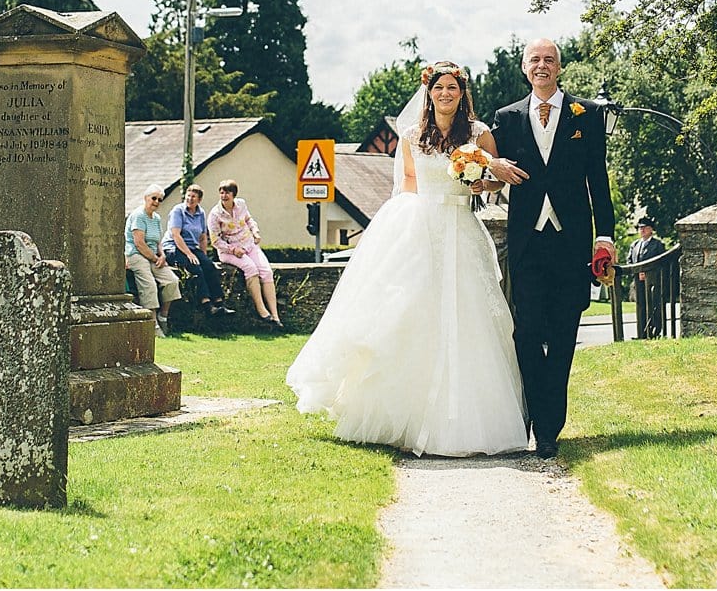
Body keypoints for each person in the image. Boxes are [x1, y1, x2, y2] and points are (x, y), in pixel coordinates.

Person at [287, 60, 528, 457]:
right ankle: (405, 417)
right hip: (422, 228)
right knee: (412, 315)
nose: (445, 94)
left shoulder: (480, 134)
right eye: (439, 88)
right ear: (428, 92)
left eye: (453, 87)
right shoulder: (412, 135)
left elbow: (495, 181)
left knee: (469, 319)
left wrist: (479, 178)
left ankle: (463, 422)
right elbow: (408, 184)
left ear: (462, 93)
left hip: (461, 229)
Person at [485, 37, 615, 459]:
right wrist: (491, 167)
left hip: (571, 243)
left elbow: (599, 181)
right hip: (526, 244)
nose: (542, 66)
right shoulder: (506, 119)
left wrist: (605, 238)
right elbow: (486, 177)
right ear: (524, 68)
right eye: (535, 60)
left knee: (562, 337)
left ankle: (549, 429)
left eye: (549, 60)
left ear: (559, 68)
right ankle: (534, 413)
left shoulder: (588, 115)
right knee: (526, 334)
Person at [209, 179, 282, 327]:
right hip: (228, 250)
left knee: (266, 271)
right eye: (221, 192)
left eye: (227, 192)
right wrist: (233, 250)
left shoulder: (241, 204)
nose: (224, 195)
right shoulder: (215, 214)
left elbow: (249, 220)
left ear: (234, 194)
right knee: (251, 269)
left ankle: (275, 315)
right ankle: (262, 311)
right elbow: (215, 241)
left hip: (248, 244)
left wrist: (255, 232)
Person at [163, 185, 233, 319]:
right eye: (188, 196)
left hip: (191, 247)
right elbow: (176, 235)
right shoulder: (178, 211)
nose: (190, 199)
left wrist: (203, 256)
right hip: (173, 248)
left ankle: (219, 303)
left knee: (209, 266)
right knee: (196, 268)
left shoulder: (200, 213)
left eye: (193, 197)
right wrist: (189, 254)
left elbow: (202, 237)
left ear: (199, 200)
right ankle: (207, 305)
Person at [126, 189, 183, 334]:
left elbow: (158, 241)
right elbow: (139, 243)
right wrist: (154, 258)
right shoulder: (139, 215)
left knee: (172, 281)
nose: (156, 202)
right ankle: (153, 324)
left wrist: (162, 255)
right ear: (146, 198)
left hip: (154, 256)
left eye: (159, 199)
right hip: (136, 254)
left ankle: (163, 316)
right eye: (154, 198)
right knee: (149, 285)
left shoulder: (156, 218)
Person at [627, 216, 667, 338]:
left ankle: (656, 332)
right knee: (640, 307)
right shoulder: (634, 245)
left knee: (654, 306)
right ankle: (641, 333)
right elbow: (629, 261)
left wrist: (648, 273)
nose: (642, 230)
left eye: (645, 228)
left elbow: (661, 263)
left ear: (651, 230)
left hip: (653, 282)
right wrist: (636, 273)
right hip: (638, 282)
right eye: (640, 228)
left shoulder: (658, 245)